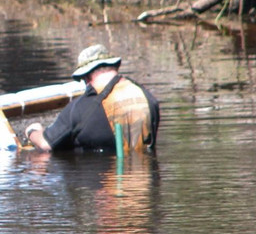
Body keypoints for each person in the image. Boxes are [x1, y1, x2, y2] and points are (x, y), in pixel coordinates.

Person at [25, 43, 159, 153]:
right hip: (146, 175)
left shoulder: (82, 108)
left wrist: (32, 131)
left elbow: (46, 144)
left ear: (86, 76)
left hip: (102, 176)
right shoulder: (148, 97)